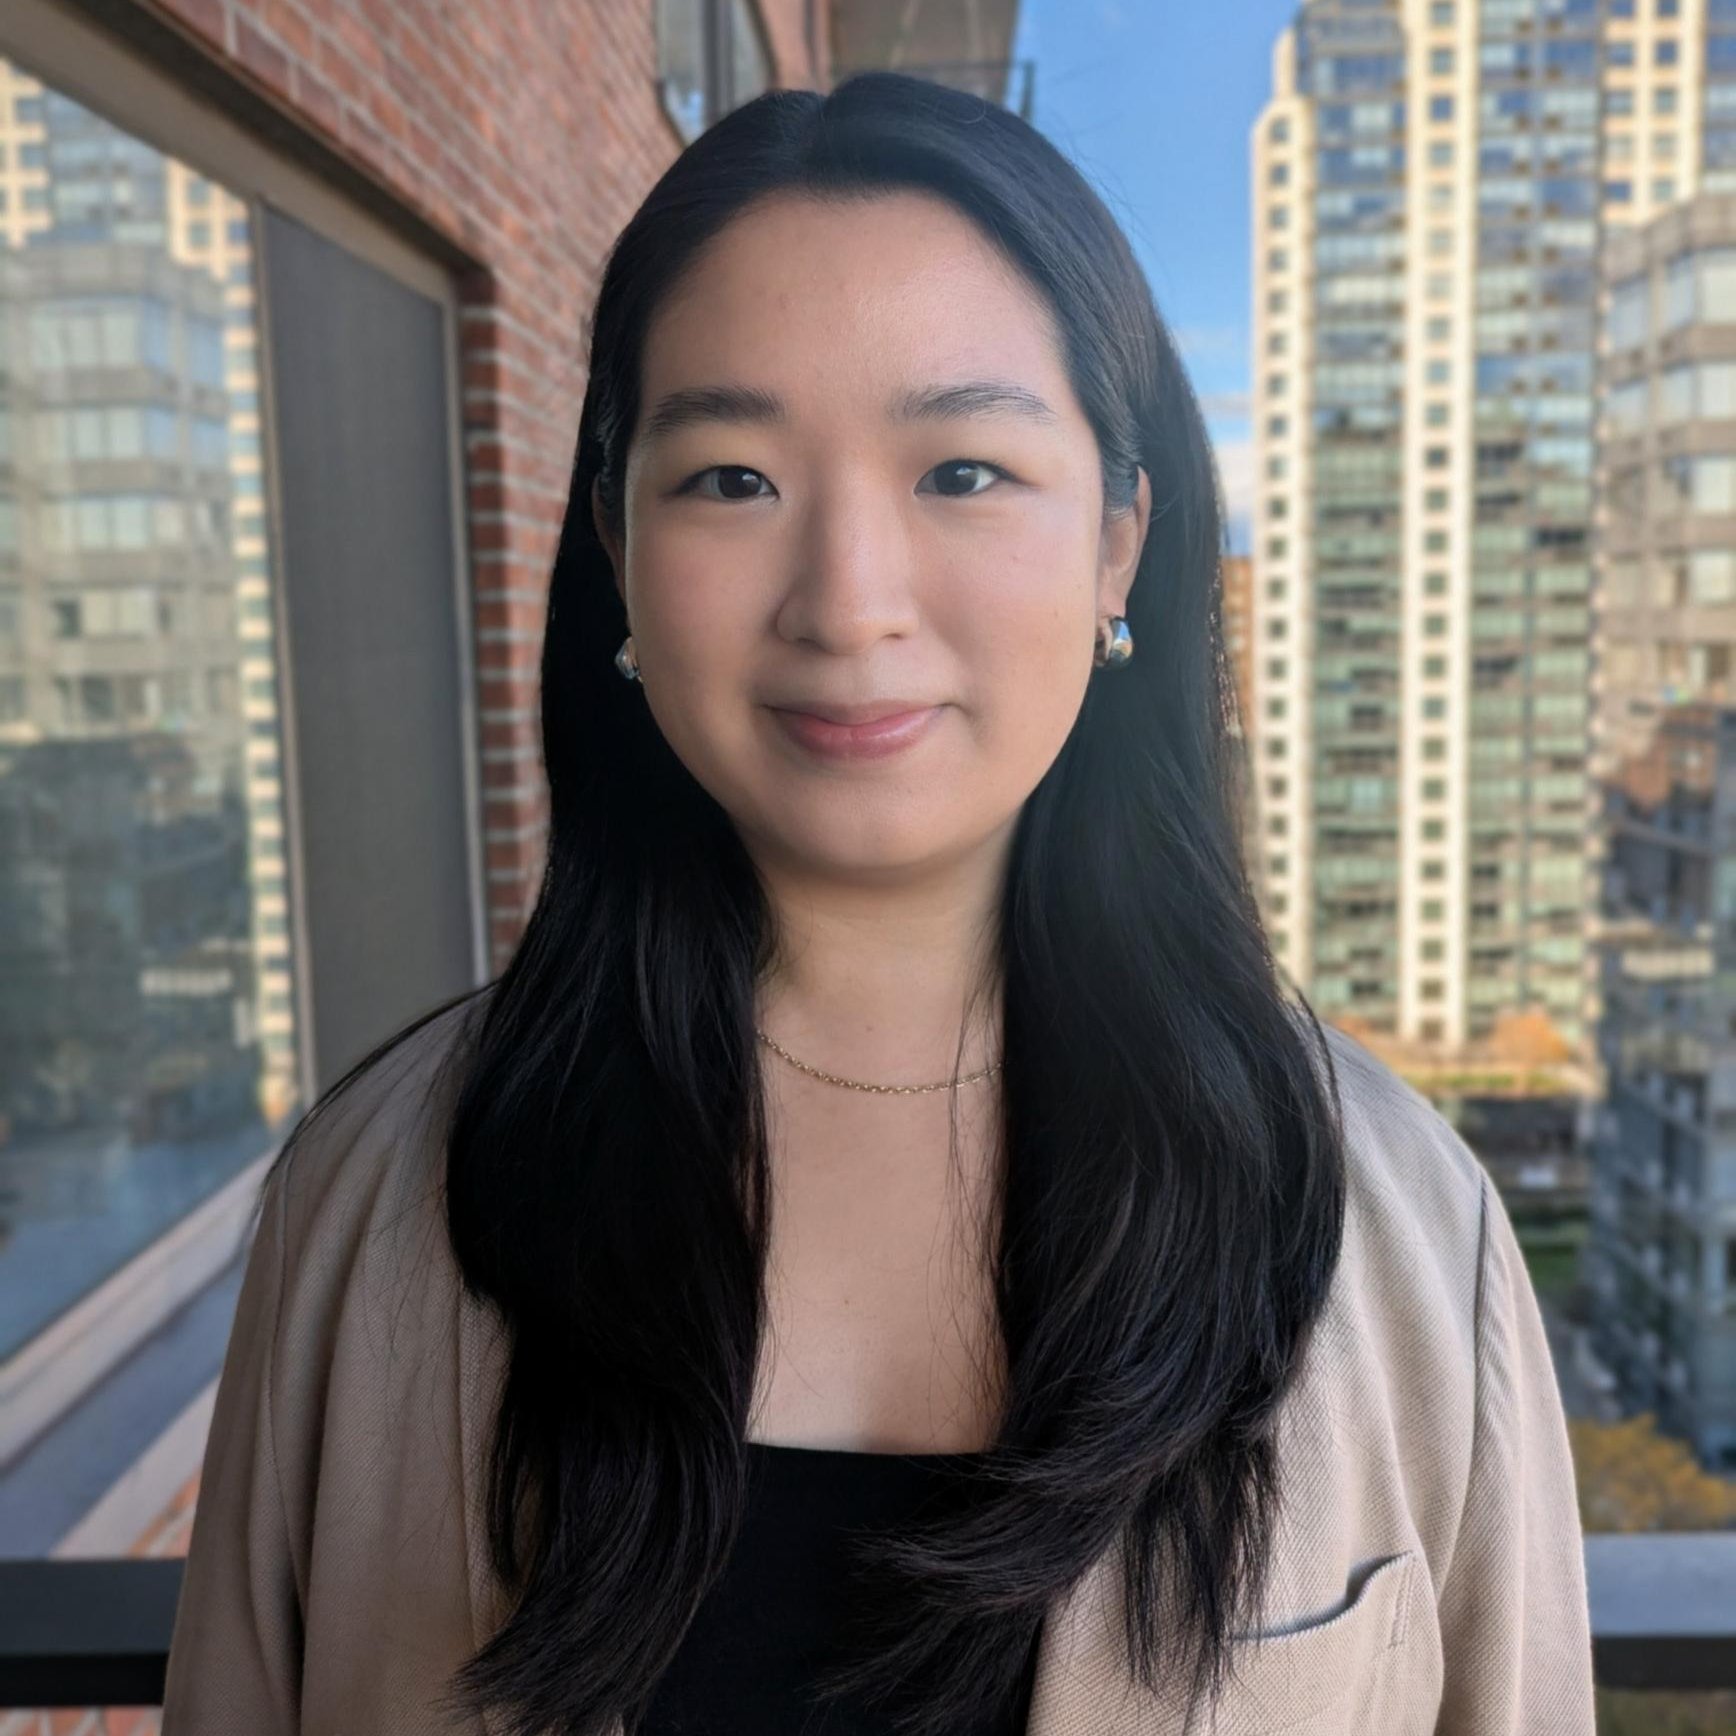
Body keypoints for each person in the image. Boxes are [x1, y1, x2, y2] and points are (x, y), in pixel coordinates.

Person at [161, 69, 1596, 1736]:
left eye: (964, 471)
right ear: (619, 554)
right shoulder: (371, 1200)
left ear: (1120, 542)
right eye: (731, 479)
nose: (849, 601)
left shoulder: (1401, 1226)